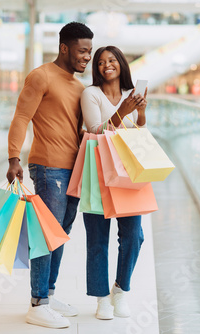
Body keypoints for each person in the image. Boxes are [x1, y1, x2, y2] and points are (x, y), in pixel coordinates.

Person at [6, 22, 93, 329]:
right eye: (82, 51)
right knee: (45, 235)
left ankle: (49, 293)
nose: (86, 57)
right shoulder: (40, 76)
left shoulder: (80, 88)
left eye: (90, 52)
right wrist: (13, 157)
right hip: (48, 168)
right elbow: (21, 117)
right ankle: (37, 303)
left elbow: (81, 130)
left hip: (73, 169)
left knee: (60, 234)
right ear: (64, 48)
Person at [80, 46, 147, 320]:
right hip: (98, 170)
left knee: (133, 236)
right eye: (100, 62)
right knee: (97, 239)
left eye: (112, 60)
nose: (106, 65)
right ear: (96, 69)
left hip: (128, 171)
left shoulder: (131, 96)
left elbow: (139, 131)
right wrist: (123, 111)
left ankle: (120, 289)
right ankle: (101, 299)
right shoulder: (90, 94)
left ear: (121, 64)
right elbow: (95, 131)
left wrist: (140, 112)